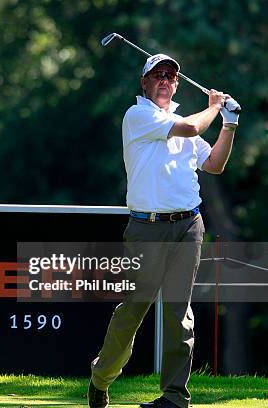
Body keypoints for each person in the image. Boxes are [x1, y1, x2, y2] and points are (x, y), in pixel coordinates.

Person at [87, 54, 240, 408]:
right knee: (133, 310)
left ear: (177, 84)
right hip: (146, 230)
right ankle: (102, 376)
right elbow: (191, 128)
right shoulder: (138, 116)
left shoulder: (182, 121)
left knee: (178, 313)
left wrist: (229, 126)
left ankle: (173, 397)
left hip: (189, 226)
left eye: (171, 76)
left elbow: (215, 164)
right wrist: (216, 107)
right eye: (157, 75)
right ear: (144, 82)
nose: (164, 81)